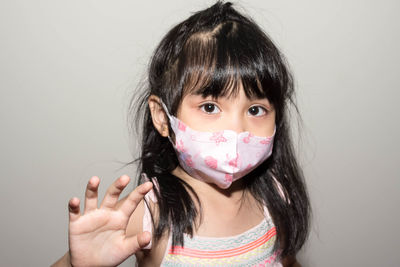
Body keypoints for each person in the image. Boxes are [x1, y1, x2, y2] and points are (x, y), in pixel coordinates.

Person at [52, 1, 310, 266]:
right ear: (162, 118)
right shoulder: (149, 214)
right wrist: (76, 263)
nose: (237, 129)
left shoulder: (275, 198)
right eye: (210, 107)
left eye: (255, 110)